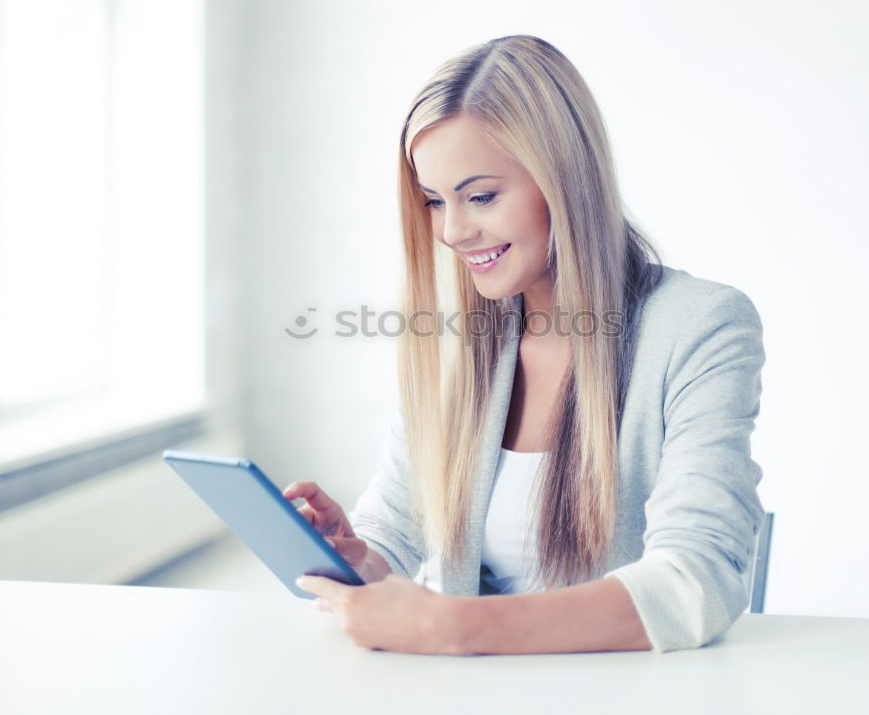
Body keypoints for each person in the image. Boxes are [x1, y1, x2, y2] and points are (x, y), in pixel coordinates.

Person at [284, 34, 766, 655]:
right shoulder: (460, 339)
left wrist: (452, 627)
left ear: (564, 180)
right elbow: (398, 528)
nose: (453, 231)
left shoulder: (701, 326)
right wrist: (357, 557)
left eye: (481, 196)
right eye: (434, 201)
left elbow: (697, 581)